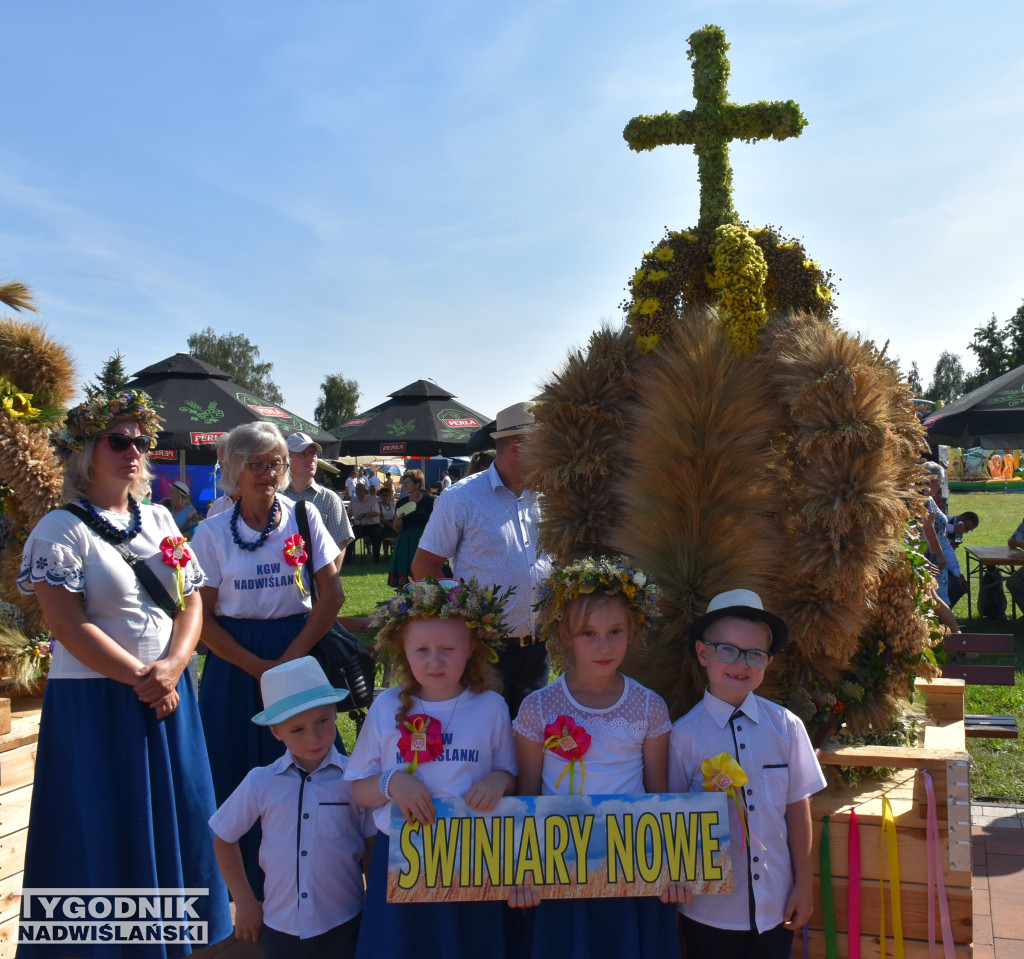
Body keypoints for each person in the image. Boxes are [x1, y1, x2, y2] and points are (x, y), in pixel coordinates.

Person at [16, 389, 231, 956]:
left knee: (178, 813)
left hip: (168, 690)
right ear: (87, 451)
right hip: (98, 702)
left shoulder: (160, 517)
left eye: (142, 442)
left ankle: (172, 942)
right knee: (103, 823)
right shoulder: (59, 530)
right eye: (119, 440)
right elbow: (66, 624)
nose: (134, 451)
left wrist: (175, 666)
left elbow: (191, 602)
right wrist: (144, 676)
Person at [190, 422, 345, 900]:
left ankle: (317, 876)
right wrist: (255, 665)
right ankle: (235, 895)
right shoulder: (212, 531)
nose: (267, 473)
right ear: (235, 471)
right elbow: (202, 617)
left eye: (274, 463)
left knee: (310, 761)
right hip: (235, 663)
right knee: (230, 768)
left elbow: (332, 596)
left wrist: (287, 659)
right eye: (256, 464)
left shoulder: (303, 516)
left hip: (295, 649)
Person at [511, 556, 679, 958]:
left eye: (615, 631)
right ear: (565, 635)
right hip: (559, 867)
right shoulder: (538, 708)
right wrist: (523, 869)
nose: (603, 646)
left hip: (632, 866)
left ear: (632, 631)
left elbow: (659, 793)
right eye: (588, 633)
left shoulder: (648, 707)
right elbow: (528, 794)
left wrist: (674, 865)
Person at [344, 577, 518, 959]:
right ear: (402, 650)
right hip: (403, 859)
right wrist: (392, 783)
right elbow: (357, 789)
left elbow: (510, 773)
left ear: (471, 647)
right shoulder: (386, 707)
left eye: (448, 648)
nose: (434, 661)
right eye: (421, 649)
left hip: (473, 859)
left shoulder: (491, 708)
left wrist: (498, 779)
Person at [666, 589, 827, 959]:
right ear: (703, 653)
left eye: (755, 654)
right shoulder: (683, 736)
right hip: (707, 911)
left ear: (767, 662)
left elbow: (797, 810)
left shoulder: (786, 727)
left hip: (776, 906)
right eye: (728, 650)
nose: (741, 663)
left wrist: (804, 885)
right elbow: (672, 821)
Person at [210, 658, 374, 959]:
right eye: (297, 729)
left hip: (346, 925)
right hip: (280, 930)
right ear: (275, 731)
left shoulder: (354, 779)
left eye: (323, 721)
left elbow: (371, 842)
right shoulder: (261, 782)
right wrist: (245, 902)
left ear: (334, 712)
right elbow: (223, 837)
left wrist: (376, 899)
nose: (314, 737)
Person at [413, 402, 552, 718]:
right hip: (486, 651)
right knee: (489, 740)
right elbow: (425, 567)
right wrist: (459, 624)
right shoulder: (461, 497)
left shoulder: (546, 495)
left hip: (538, 649)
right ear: (517, 447)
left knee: (531, 742)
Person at [283, 431, 355, 570]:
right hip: (282, 581)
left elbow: (340, 543)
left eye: (314, 454)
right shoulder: (274, 497)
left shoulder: (329, 499)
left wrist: (327, 583)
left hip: (319, 577)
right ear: (287, 459)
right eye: (304, 454)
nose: (311, 458)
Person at [387, 468, 435, 589]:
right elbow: (396, 528)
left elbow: (434, 524)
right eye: (404, 482)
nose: (404, 485)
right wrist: (400, 518)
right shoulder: (402, 503)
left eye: (407, 482)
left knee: (423, 575)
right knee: (405, 572)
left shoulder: (429, 502)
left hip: (423, 540)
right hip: (405, 541)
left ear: (418, 484)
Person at [349, 482, 384, 562]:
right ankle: (348, 559)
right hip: (359, 526)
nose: (357, 491)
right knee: (349, 537)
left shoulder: (372, 499)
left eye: (359, 489)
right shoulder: (353, 501)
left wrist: (365, 514)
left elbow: (376, 512)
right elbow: (348, 514)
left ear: (365, 491)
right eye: (356, 489)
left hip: (372, 525)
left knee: (377, 536)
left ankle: (376, 558)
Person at [378, 485, 398, 558]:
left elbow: (397, 515)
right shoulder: (378, 505)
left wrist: (394, 524)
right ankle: (386, 554)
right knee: (385, 535)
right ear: (380, 496)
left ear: (390, 496)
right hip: (383, 525)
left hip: (394, 523)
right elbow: (381, 519)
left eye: (387, 495)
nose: (385, 497)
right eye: (383, 495)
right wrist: (390, 524)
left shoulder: (394, 505)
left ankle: (396, 553)